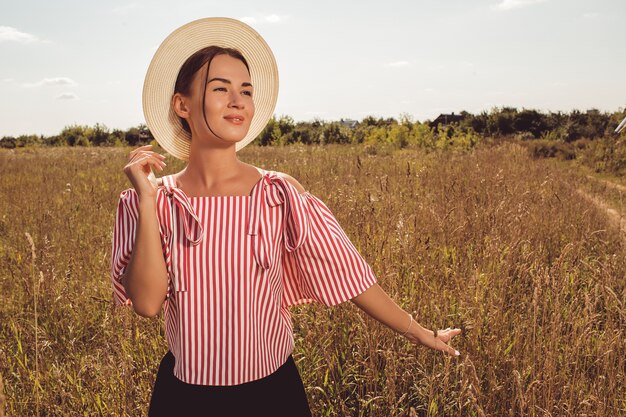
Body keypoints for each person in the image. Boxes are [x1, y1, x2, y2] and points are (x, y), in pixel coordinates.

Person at [110, 17, 461, 417]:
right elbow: (148, 303)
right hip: (186, 398)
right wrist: (146, 199)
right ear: (182, 104)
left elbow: (348, 274)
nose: (238, 100)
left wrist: (419, 333)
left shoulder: (278, 193)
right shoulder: (154, 201)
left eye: (246, 90)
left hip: (272, 395)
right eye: (220, 89)